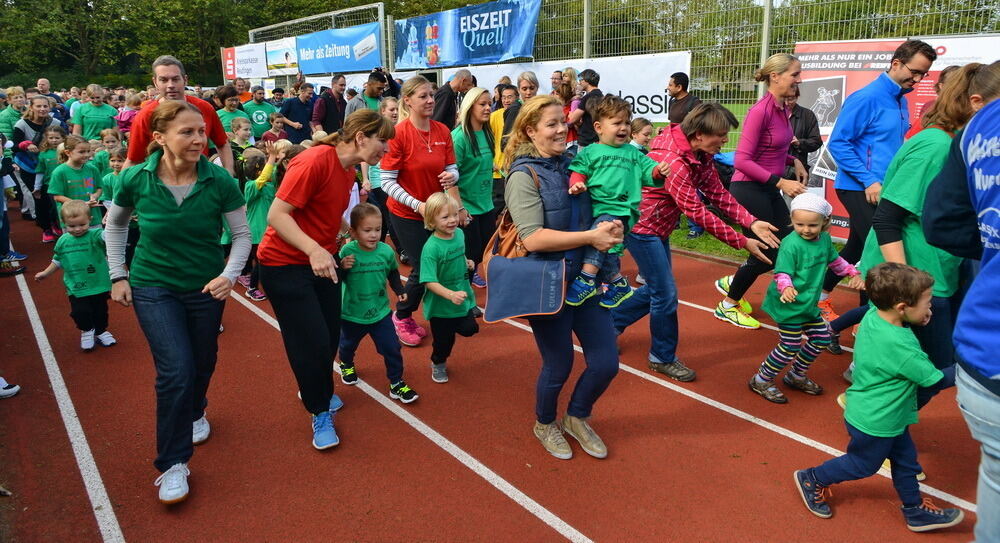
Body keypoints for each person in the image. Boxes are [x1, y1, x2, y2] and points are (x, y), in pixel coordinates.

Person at [105, 100, 250, 504]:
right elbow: (114, 226)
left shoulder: (220, 181)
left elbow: (241, 235)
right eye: (187, 132)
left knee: (202, 361)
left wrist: (228, 276)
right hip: (154, 286)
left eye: (201, 132)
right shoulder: (135, 177)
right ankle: (173, 463)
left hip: (206, 288)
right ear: (159, 138)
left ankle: (196, 408)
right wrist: (118, 274)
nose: (198, 140)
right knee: (176, 370)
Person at [611, 103, 780, 382]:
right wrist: (742, 241)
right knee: (665, 294)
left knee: (658, 289)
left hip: (659, 227)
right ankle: (662, 357)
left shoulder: (698, 154)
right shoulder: (674, 163)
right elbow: (696, 212)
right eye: (722, 135)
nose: (726, 141)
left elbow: (716, 192)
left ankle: (609, 323)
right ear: (699, 134)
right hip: (643, 228)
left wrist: (750, 222)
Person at [257, 109, 393, 451]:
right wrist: (315, 250)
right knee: (312, 341)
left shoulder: (347, 171)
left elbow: (327, 215)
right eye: (383, 140)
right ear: (361, 136)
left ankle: (313, 386)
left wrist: (349, 234)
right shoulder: (314, 161)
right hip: (284, 264)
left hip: (322, 260)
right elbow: (277, 215)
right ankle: (318, 410)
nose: (386, 149)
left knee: (331, 333)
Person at [793, 263, 962, 533]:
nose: (931, 310)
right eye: (927, 304)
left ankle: (914, 510)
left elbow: (864, 311)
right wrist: (973, 367)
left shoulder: (876, 314)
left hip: (885, 413)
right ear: (902, 307)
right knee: (863, 464)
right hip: (877, 420)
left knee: (906, 461)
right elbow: (937, 379)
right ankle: (812, 477)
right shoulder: (901, 347)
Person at [504, 94, 623, 460]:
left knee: (606, 362)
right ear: (530, 131)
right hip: (549, 284)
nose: (561, 130)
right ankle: (544, 423)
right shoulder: (523, 176)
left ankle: (576, 417)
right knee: (560, 364)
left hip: (587, 281)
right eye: (552, 124)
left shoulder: (575, 163)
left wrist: (613, 220)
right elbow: (533, 237)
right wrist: (590, 237)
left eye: (563, 123)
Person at [859, 63, 984, 377]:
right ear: (975, 103)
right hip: (917, 277)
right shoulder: (935, 147)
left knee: (938, 366)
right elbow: (887, 218)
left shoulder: (959, 145)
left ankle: (868, 390)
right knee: (942, 369)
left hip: (939, 270)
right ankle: (867, 406)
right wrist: (907, 287)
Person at [921, 60, 1000, 543]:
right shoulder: (934, 142)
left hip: (983, 351)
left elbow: (942, 220)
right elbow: (894, 214)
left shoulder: (974, 133)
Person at [821, 40, 937, 322]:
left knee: (857, 248)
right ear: (896, 63)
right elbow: (839, 144)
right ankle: (870, 323)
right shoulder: (866, 98)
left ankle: (819, 298)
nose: (918, 79)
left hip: (884, 189)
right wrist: (869, 180)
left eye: (924, 74)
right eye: (915, 71)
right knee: (878, 256)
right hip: (859, 188)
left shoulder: (900, 99)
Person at [714, 53, 808, 330]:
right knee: (772, 251)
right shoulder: (760, 111)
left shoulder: (782, 110)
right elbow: (742, 160)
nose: (799, 79)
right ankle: (728, 304)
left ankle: (735, 280)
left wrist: (794, 161)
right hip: (749, 188)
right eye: (795, 74)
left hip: (766, 188)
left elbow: (774, 149)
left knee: (787, 246)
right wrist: (781, 182)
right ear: (775, 76)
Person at [748, 193, 862, 403]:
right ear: (792, 220)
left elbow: (835, 261)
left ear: (824, 223)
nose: (806, 230)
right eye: (799, 224)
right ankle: (761, 379)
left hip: (808, 304)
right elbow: (782, 273)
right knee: (789, 345)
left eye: (812, 225)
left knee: (821, 338)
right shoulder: (791, 244)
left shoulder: (825, 240)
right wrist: (786, 288)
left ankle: (796, 375)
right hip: (788, 305)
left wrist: (852, 272)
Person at [565, 95, 669, 308]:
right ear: (599, 127)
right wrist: (576, 183)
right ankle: (617, 283)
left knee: (599, 236)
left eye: (626, 122)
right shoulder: (591, 151)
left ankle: (587, 278)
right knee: (607, 249)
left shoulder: (633, 152)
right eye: (617, 123)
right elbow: (578, 170)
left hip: (620, 208)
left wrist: (659, 171)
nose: (623, 128)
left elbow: (650, 171)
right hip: (594, 208)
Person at [380, 75, 461, 347]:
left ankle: (434, 310)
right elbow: (386, 181)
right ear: (408, 100)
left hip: (435, 212)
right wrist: (417, 204)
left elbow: (450, 166)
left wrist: (452, 177)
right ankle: (401, 315)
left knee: (438, 263)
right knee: (421, 267)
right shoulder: (398, 133)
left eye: (432, 95)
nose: (430, 100)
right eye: (423, 96)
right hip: (407, 213)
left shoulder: (442, 131)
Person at [337, 203, 416, 400]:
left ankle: (396, 382)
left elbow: (392, 271)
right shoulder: (347, 252)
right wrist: (342, 267)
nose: (374, 235)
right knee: (347, 345)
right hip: (352, 313)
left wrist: (399, 290)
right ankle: (346, 363)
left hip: (380, 312)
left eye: (378, 230)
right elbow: (336, 279)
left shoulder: (386, 251)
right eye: (367, 230)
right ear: (354, 232)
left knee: (392, 348)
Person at [125, 56, 234, 175]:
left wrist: (229, 172)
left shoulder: (205, 107)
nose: (170, 85)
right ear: (155, 82)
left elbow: (222, 144)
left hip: (201, 182)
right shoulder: (145, 116)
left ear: (185, 80)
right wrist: (120, 187)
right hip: (161, 186)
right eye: (164, 80)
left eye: (175, 79)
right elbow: (133, 160)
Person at [34, 200, 117, 350]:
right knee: (80, 311)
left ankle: (100, 330)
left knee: (100, 310)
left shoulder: (95, 235)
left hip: (98, 283)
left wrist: (113, 221)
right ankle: (86, 330)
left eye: (82, 224)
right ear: (63, 222)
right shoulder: (63, 241)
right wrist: (46, 273)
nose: (78, 229)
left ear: (89, 220)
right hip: (76, 285)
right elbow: (58, 260)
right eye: (71, 226)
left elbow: (109, 236)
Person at [419, 192, 479, 383]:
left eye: (454, 214)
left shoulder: (459, 234)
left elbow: (459, 253)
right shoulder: (431, 248)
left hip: (461, 296)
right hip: (441, 306)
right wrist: (450, 294)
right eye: (445, 217)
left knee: (470, 328)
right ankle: (438, 363)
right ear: (431, 221)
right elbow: (429, 281)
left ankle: (453, 328)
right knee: (444, 343)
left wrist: (467, 261)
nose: (453, 220)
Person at [450, 87, 496, 290]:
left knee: (482, 253)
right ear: (470, 106)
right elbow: (450, 178)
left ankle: (468, 284)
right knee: (468, 255)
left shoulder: (487, 133)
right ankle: (464, 299)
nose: (488, 108)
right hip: (467, 207)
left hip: (486, 204)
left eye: (489, 104)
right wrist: (459, 208)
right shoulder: (459, 137)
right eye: (482, 104)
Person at [361, 98, 400, 250]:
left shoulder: (400, 129)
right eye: (392, 109)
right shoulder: (375, 129)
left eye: (397, 109)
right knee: (389, 212)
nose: (395, 112)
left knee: (383, 215)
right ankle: (401, 248)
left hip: (394, 178)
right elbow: (364, 156)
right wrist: (365, 178)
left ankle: (378, 246)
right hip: (379, 178)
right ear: (383, 111)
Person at [48, 135, 102, 227]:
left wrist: (95, 196)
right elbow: (57, 196)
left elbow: (99, 188)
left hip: (93, 217)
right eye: (81, 152)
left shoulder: (92, 169)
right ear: (68, 153)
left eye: (88, 151)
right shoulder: (60, 172)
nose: (86, 155)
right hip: (71, 220)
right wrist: (81, 205)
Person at [29, 125, 66, 242]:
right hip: (50, 186)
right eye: (51, 138)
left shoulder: (67, 151)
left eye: (57, 138)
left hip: (66, 185)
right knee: (52, 208)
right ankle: (52, 227)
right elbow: (40, 171)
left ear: (63, 138)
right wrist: (37, 187)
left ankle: (61, 226)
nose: (54, 140)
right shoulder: (44, 153)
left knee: (63, 208)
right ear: (46, 139)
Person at [490, 84, 518, 210]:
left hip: (514, 167)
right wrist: (492, 162)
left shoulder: (519, 114)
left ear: (517, 98)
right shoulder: (494, 116)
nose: (506, 100)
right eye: (504, 97)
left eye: (510, 97)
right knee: (498, 204)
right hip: (498, 168)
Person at [785, 88, 822, 177]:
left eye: (790, 99)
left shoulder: (807, 115)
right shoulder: (774, 113)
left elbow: (816, 141)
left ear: (797, 97)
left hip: (796, 170)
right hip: (774, 169)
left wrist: (799, 143)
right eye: (784, 99)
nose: (787, 103)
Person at [501, 72, 539, 148]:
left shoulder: (538, 107)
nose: (528, 92)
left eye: (532, 88)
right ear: (518, 90)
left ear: (537, 88)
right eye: (524, 89)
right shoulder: (515, 110)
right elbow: (505, 143)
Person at [566, 69, 603, 148]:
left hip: (586, 141)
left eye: (581, 80)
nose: (579, 82)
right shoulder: (602, 96)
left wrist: (571, 114)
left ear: (587, 80)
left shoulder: (587, 97)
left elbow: (572, 119)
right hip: (599, 139)